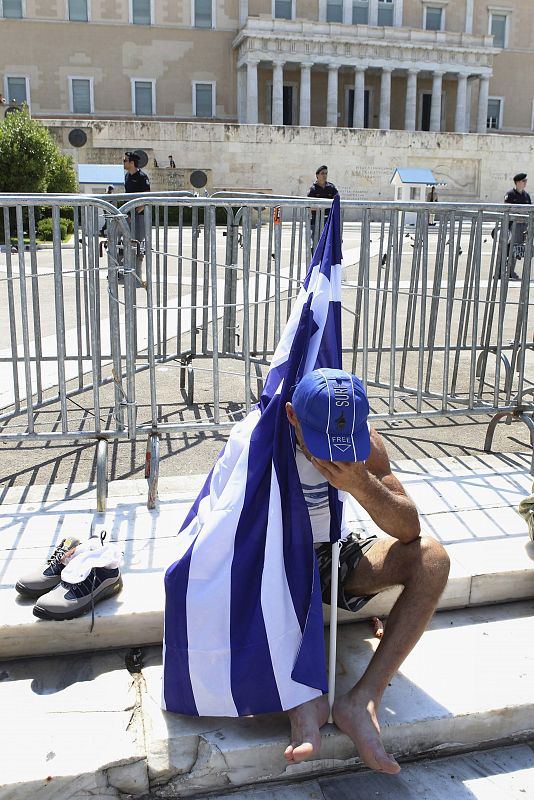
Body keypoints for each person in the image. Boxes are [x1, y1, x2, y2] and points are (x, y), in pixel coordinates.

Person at [283, 368, 450, 774]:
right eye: (319, 443)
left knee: (431, 558)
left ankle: (363, 700)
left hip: (331, 553)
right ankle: (299, 697)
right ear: (292, 417)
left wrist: (361, 483)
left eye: (341, 441)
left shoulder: (364, 443)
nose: (329, 454)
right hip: (272, 561)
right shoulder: (258, 439)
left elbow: (408, 528)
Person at [123, 151, 151, 281]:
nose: (124, 162)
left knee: (138, 245)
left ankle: (138, 277)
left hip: (139, 216)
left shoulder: (142, 177)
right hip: (128, 216)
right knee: (127, 244)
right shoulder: (127, 176)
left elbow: (146, 199)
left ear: (132, 163)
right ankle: (128, 274)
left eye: (125, 160)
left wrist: (134, 214)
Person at [503, 172, 531, 280]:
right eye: (524, 181)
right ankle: (502, 272)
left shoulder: (526, 195)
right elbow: (506, 209)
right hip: (511, 226)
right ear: (518, 182)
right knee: (508, 250)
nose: (525, 183)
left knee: (517, 250)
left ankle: (511, 271)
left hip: (522, 227)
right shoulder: (510, 194)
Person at [307, 166, 338, 247]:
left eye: (326, 173)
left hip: (329, 221)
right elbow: (309, 206)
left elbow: (337, 201)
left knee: (330, 244)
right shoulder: (313, 190)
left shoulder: (331, 188)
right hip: (316, 221)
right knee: (316, 244)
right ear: (317, 175)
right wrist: (323, 207)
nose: (325, 175)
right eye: (322, 173)